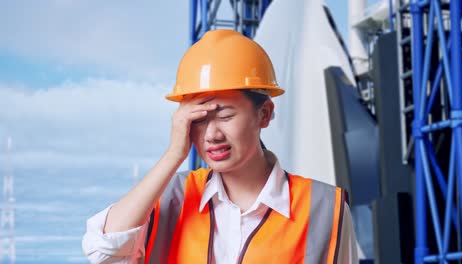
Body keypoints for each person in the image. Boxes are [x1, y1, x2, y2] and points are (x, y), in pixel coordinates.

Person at [82, 29, 359, 264]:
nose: (212, 134)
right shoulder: (170, 197)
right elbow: (102, 251)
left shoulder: (323, 207)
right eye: (199, 120)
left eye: (225, 116)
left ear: (264, 114)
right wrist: (173, 156)